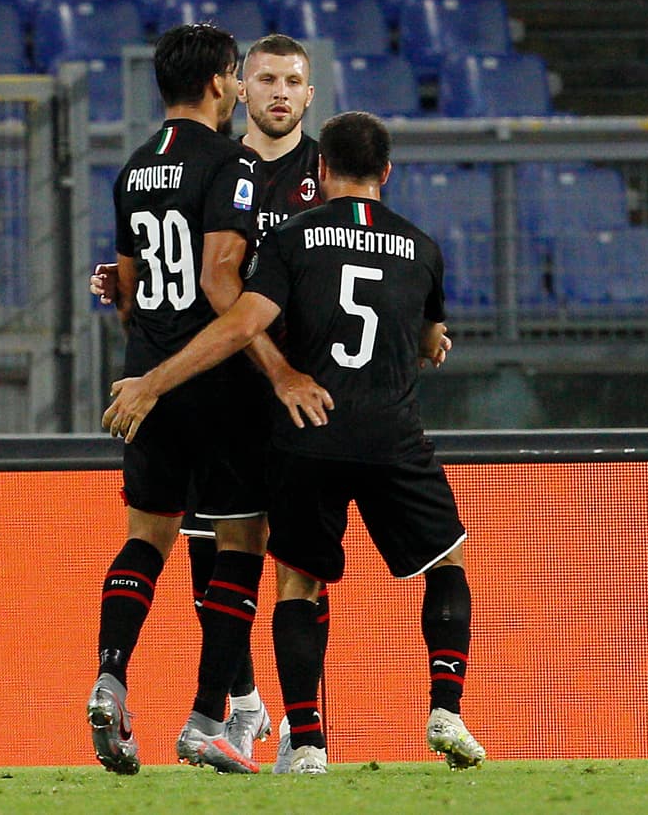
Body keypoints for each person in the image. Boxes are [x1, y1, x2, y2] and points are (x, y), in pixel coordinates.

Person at [102, 111, 487, 775]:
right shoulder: (423, 246)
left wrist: (153, 383)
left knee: (295, 584)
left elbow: (240, 325)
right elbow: (429, 341)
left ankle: (306, 743)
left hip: (306, 429)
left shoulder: (295, 240)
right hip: (393, 436)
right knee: (447, 563)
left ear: (321, 171)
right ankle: (446, 708)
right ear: (386, 174)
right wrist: (430, 343)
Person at [87, 22, 322, 777]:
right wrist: (277, 364)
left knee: (145, 538)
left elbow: (124, 289)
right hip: (216, 379)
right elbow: (224, 281)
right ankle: (204, 717)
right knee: (240, 545)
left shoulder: (130, 169)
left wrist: (145, 353)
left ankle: (111, 676)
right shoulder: (234, 163)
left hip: (142, 379)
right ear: (225, 83)